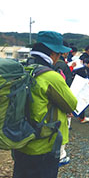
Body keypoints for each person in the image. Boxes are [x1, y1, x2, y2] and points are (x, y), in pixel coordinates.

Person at [12, 31, 77, 178]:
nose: (59, 58)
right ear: (53, 53)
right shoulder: (50, 76)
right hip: (43, 145)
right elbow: (71, 104)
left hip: (20, 140)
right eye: (59, 54)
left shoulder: (23, 69)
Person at [53, 41, 75, 166]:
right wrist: (69, 107)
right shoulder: (62, 66)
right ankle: (61, 155)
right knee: (63, 127)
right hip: (62, 102)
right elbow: (67, 85)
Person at [73, 58, 89, 123]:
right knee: (82, 101)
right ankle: (81, 117)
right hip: (82, 87)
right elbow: (85, 78)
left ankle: (80, 116)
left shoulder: (80, 69)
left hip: (78, 87)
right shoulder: (83, 70)